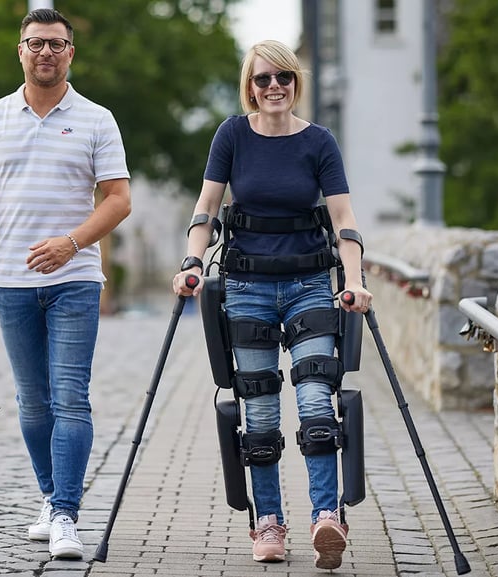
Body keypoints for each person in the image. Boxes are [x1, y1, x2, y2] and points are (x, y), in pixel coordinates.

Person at [172, 40, 372, 570]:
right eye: (263, 79)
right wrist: (192, 262)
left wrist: (354, 280)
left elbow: (343, 219)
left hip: (310, 285)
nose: (274, 87)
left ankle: (326, 516)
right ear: (250, 86)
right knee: (259, 411)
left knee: (316, 401)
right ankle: (268, 522)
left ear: (295, 82)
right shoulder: (232, 135)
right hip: (248, 288)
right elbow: (206, 208)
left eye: (283, 77)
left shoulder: (319, 141)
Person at [0, 8, 131, 561]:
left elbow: (119, 199)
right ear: (20, 51)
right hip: (11, 281)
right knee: (32, 401)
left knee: (70, 396)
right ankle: (51, 497)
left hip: (76, 279)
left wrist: (72, 242)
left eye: (55, 43)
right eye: (35, 43)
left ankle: (67, 515)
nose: (45, 52)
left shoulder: (97, 119)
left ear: (71, 52)